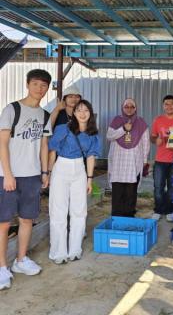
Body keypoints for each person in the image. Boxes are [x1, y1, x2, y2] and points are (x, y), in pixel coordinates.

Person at [0, 69, 52, 290]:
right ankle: (2, 267)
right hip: (8, 175)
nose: (39, 89)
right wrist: (8, 174)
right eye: (36, 84)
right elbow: (2, 143)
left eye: (44, 85)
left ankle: (20, 260)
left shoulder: (44, 115)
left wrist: (44, 172)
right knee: (3, 223)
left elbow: (43, 145)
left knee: (27, 219)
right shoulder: (12, 109)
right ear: (27, 84)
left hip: (32, 175)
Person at [47, 100, 100, 264]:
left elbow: (91, 156)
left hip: (79, 170)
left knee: (79, 211)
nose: (82, 113)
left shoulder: (93, 133)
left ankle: (75, 250)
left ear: (90, 113)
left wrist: (90, 180)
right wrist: (48, 173)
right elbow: (53, 151)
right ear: (74, 113)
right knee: (58, 211)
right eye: (79, 110)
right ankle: (58, 252)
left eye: (86, 110)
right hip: (61, 167)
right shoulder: (63, 128)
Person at [107, 98, 150, 217]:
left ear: (136, 109)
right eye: (127, 106)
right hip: (118, 163)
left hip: (133, 162)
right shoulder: (117, 120)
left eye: (132, 107)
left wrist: (145, 161)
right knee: (117, 191)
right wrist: (123, 129)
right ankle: (116, 217)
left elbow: (146, 143)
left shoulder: (141, 122)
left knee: (131, 192)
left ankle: (129, 217)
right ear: (122, 108)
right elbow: (109, 136)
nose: (129, 109)